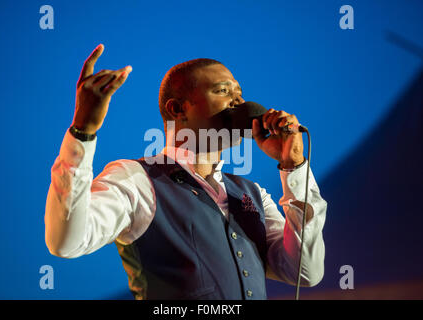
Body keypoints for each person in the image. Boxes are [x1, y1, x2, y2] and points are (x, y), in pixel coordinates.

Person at [45, 44, 327, 300]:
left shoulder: (252, 194)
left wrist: (294, 166)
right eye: (222, 91)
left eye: (239, 94)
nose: (238, 102)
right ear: (178, 109)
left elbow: (305, 272)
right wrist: (82, 132)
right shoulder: (136, 180)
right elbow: (66, 242)